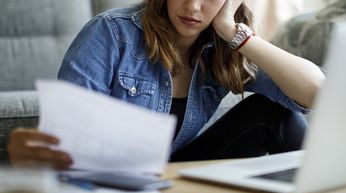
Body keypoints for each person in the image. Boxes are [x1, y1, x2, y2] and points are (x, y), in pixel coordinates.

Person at [7, 0, 325, 170]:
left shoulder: (224, 47)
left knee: (274, 115)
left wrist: (234, 31)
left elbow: (316, 92)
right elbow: (66, 134)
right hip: (117, 176)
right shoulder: (110, 33)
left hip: (176, 170)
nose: (192, 7)